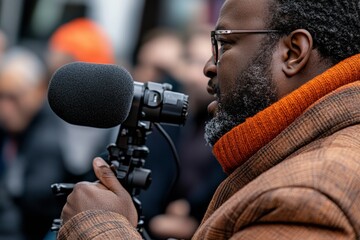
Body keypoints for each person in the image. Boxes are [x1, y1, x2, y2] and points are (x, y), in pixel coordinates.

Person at [57, 0, 360, 239]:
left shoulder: (307, 197)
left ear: (294, 53)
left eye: (224, 44)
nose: (208, 66)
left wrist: (98, 226)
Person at [0, 47, 75, 240]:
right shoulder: (15, 129)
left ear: (39, 90)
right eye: (1, 97)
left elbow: (36, 206)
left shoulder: (48, 139)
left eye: (13, 97)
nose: (5, 109)